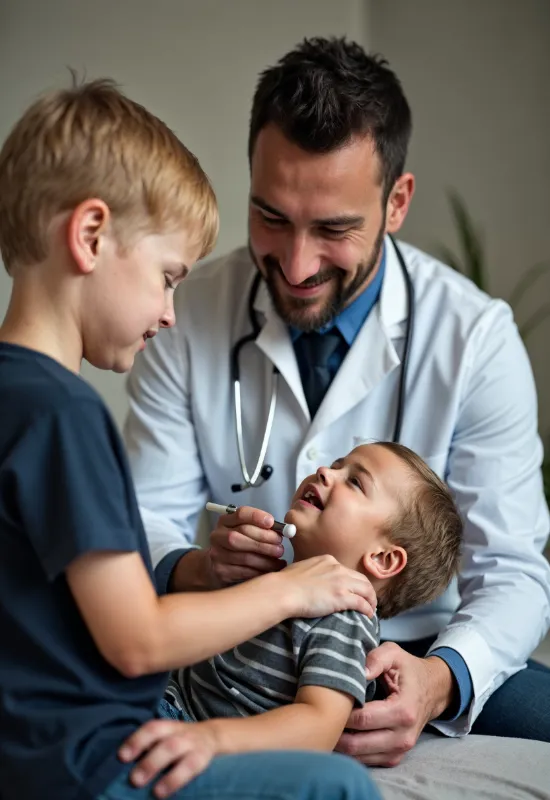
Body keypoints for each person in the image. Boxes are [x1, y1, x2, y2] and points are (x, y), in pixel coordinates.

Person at [124, 35, 550, 765]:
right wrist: (202, 570)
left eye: (333, 229)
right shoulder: (180, 311)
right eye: (272, 217)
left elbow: (510, 569)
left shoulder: (474, 337)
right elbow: (143, 518)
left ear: (397, 202)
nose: (295, 266)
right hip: (233, 629)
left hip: (413, 643)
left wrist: (439, 682)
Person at [0, 78, 383, 800]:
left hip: (25, 750)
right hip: (87, 764)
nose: (172, 313)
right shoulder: (65, 415)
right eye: (167, 277)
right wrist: (292, 592)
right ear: (89, 237)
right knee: (341, 788)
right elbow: (137, 639)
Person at [159, 442, 462, 758]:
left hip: (187, 729)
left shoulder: (345, 618)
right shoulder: (272, 579)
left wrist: (210, 739)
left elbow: (319, 725)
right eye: (336, 464)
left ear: (383, 558)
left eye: (355, 481)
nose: (324, 472)